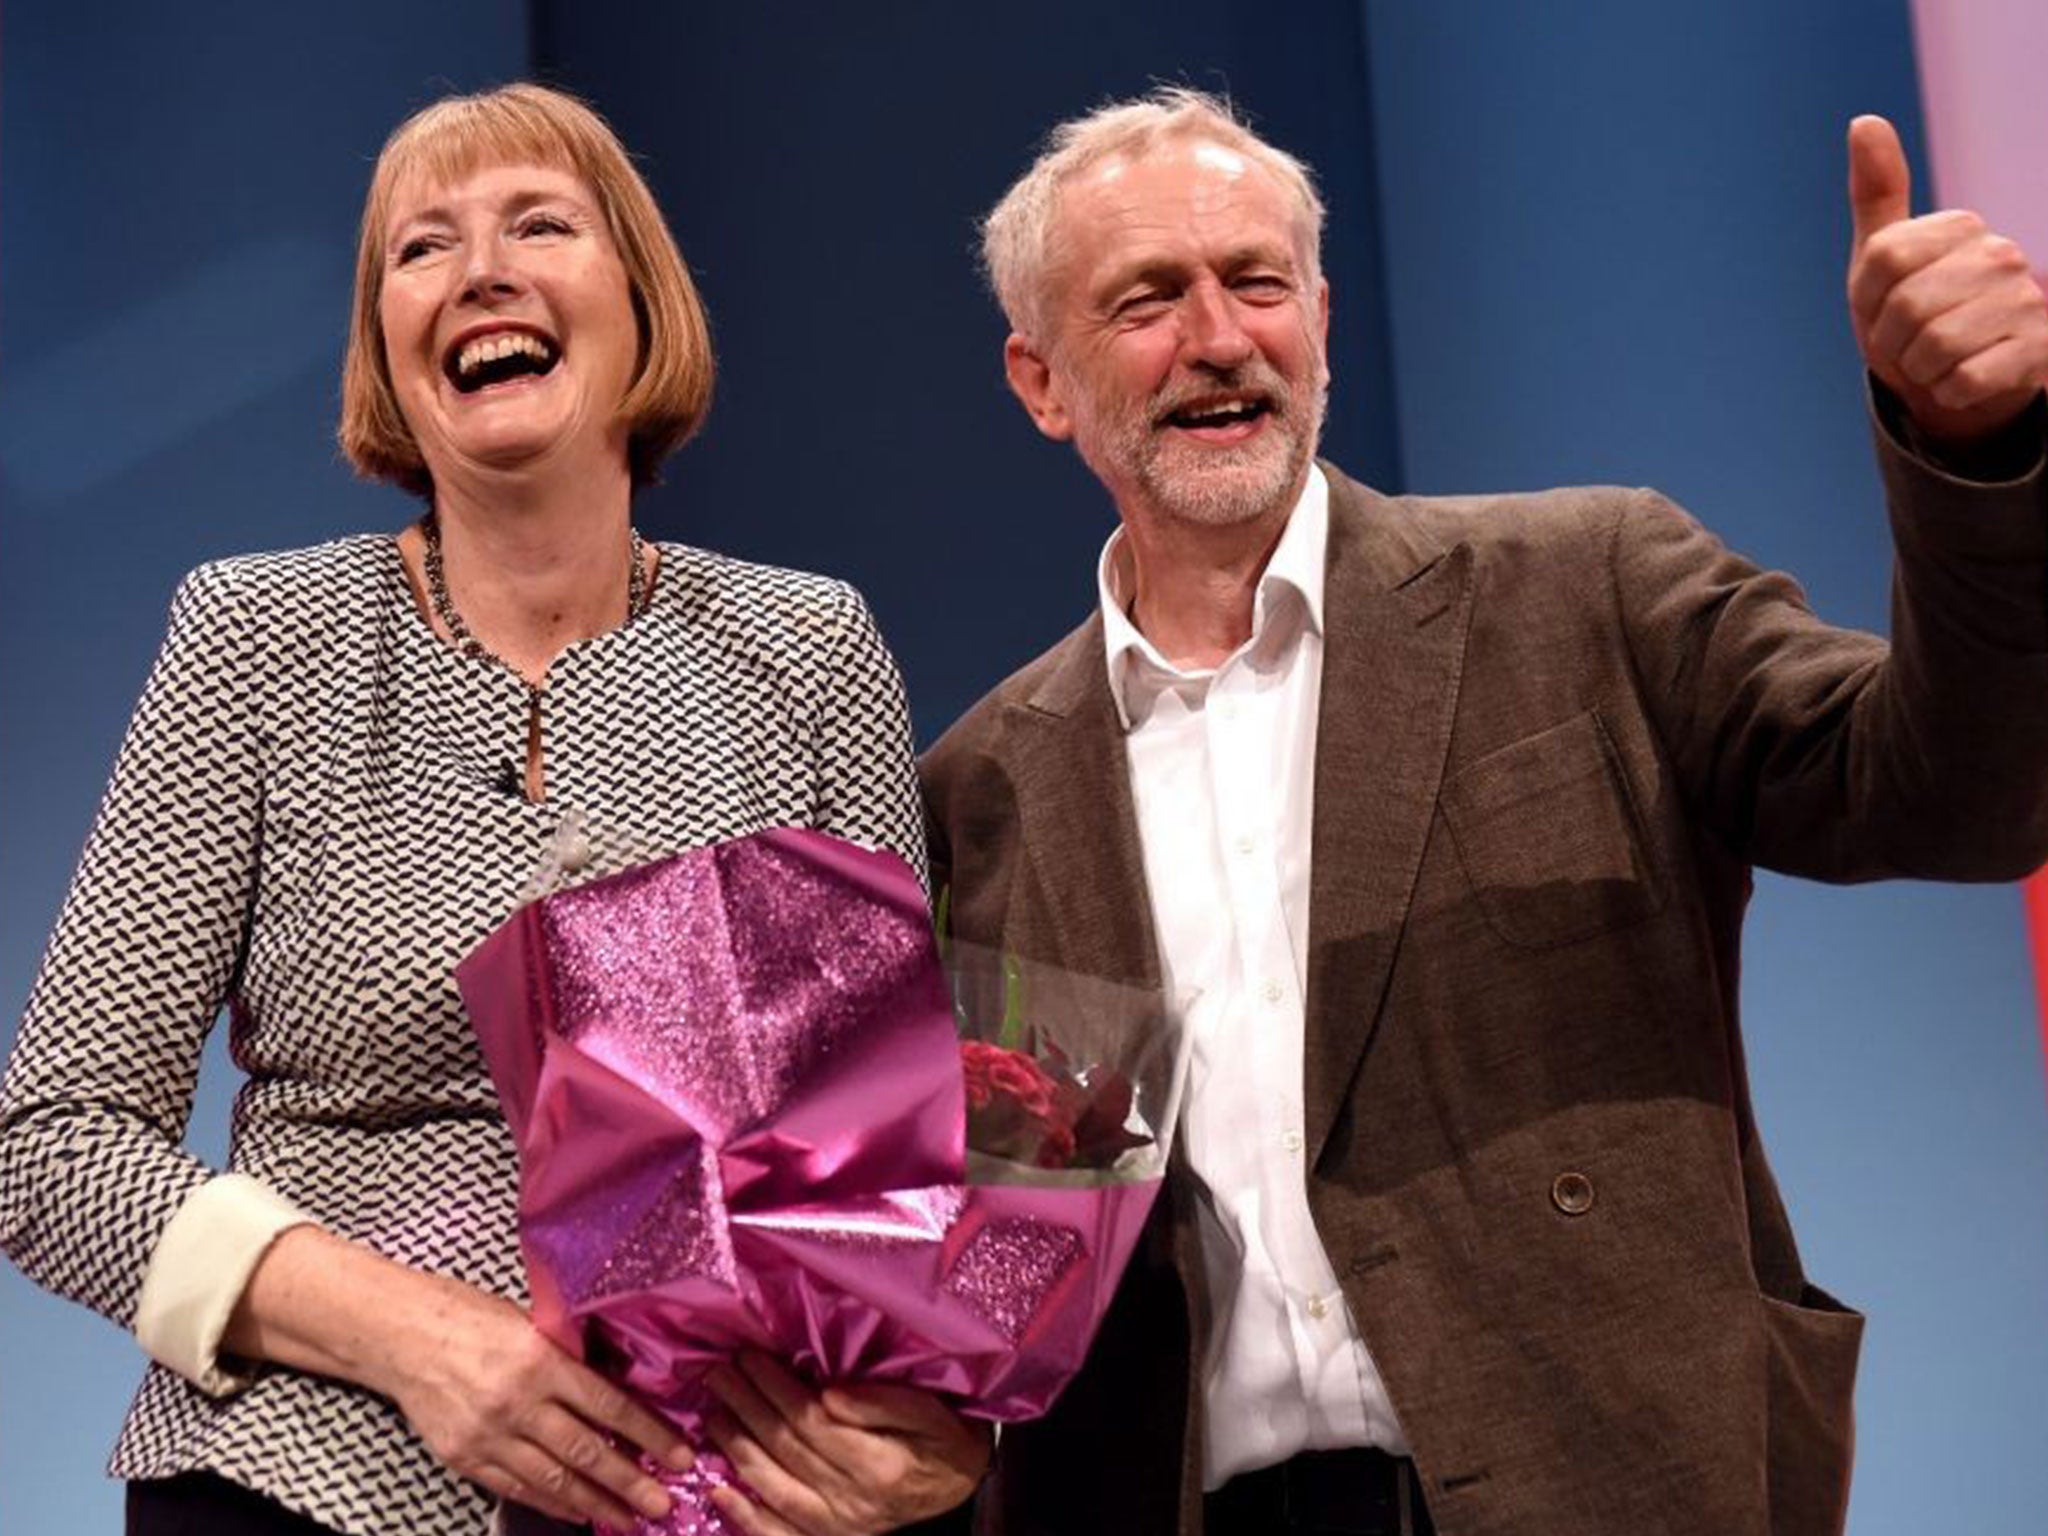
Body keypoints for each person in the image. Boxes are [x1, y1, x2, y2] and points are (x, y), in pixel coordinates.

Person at [919, 87, 2048, 1536]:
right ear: (1042, 380)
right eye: (1146, 299)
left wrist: (1977, 453)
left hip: (1610, 1477)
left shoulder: (1588, 585)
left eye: (1255, 282)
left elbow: (1959, 796)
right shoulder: (985, 791)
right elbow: (1012, 1262)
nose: (1216, 337)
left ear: (1320, 316)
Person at [0, 84, 985, 1536]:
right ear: (386, 353)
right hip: (296, 1478)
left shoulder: (807, 647)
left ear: (640, 308)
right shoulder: (256, 639)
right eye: (422, 249)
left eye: (541, 224)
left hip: (703, 1496)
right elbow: (54, 1147)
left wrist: (930, 1439)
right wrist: (426, 1343)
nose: (482, 274)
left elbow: (899, 1174)